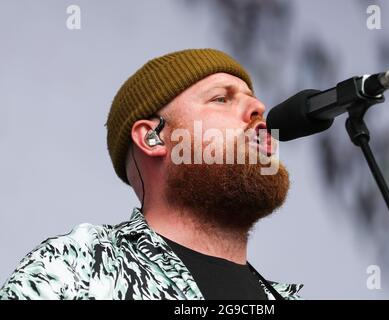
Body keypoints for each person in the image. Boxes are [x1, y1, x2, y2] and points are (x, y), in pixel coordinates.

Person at [0, 49, 303, 300]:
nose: (259, 107)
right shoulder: (78, 266)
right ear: (152, 138)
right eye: (221, 98)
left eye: (253, 100)